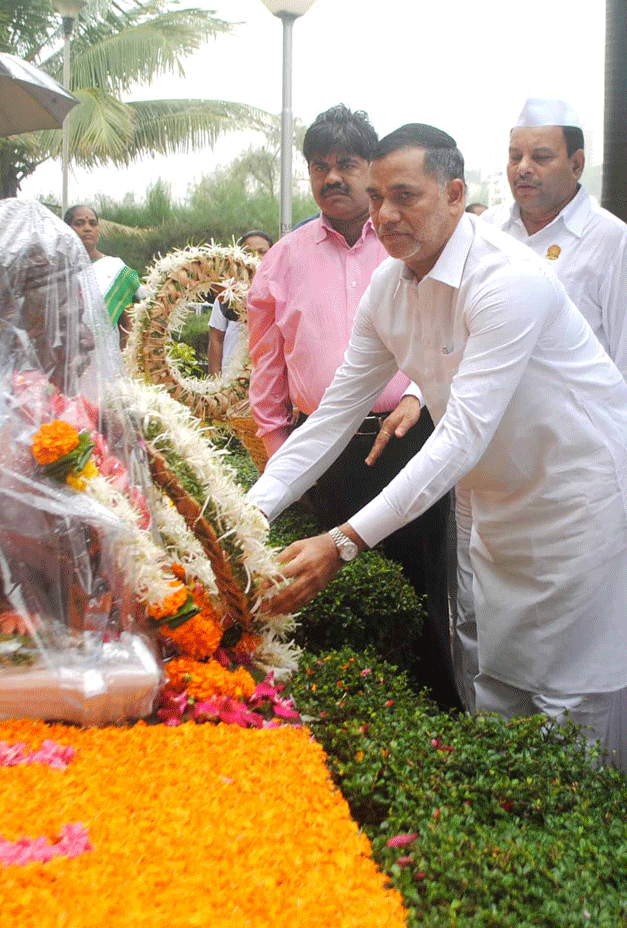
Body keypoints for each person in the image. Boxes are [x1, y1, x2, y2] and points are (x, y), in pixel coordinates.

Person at [250, 122, 627, 766]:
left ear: (455, 193)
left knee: (574, 714)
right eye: (377, 199)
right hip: (498, 510)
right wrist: (246, 517)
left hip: (578, 506)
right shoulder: (388, 288)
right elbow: (331, 418)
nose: (386, 216)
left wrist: (343, 543)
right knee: (501, 695)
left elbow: (460, 435)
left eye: (405, 196)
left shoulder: (509, 279)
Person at [247, 104, 458, 709]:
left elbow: (445, 343)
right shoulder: (282, 257)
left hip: (411, 438)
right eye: (319, 166)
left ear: (372, 172)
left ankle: (429, 706)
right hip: (322, 449)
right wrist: (274, 455)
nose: (332, 177)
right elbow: (267, 366)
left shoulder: (404, 243)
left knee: (421, 581)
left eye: (346, 164)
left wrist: (418, 395)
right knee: (334, 590)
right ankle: (346, 707)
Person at [481, 97, 627, 377]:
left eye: (541, 157)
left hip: (581, 418)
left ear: (577, 164)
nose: (523, 168)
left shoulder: (611, 239)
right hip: (497, 414)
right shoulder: (489, 227)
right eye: (515, 157)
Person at [64, 205, 145, 343]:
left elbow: (128, 323)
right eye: (79, 223)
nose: (87, 228)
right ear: (66, 228)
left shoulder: (116, 269)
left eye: (93, 223)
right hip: (64, 356)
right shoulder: (56, 270)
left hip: (106, 358)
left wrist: (124, 360)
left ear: (98, 229)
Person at [207, 230, 273, 376]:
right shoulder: (227, 292)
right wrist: (216, 383)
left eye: (262, 252)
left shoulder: (280, 291)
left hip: (266, 381)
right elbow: (216, 339)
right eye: (248, 252)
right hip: (231, 381)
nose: (255, 257)